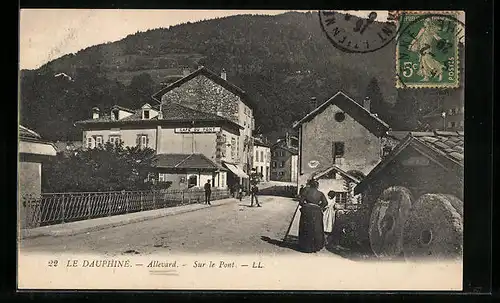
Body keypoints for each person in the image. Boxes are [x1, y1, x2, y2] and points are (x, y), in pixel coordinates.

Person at [298, 179, 328, 253]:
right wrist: (319, 207)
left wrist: (305, 206)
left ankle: (305, 246)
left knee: (306, 228)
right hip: (317, 212)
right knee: (316, 228)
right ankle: (316, 246)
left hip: (307, 211)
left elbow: (301, 202)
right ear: (317, 186)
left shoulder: (306, 191)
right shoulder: (320, 193)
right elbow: (325, 203)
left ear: (310, 185)